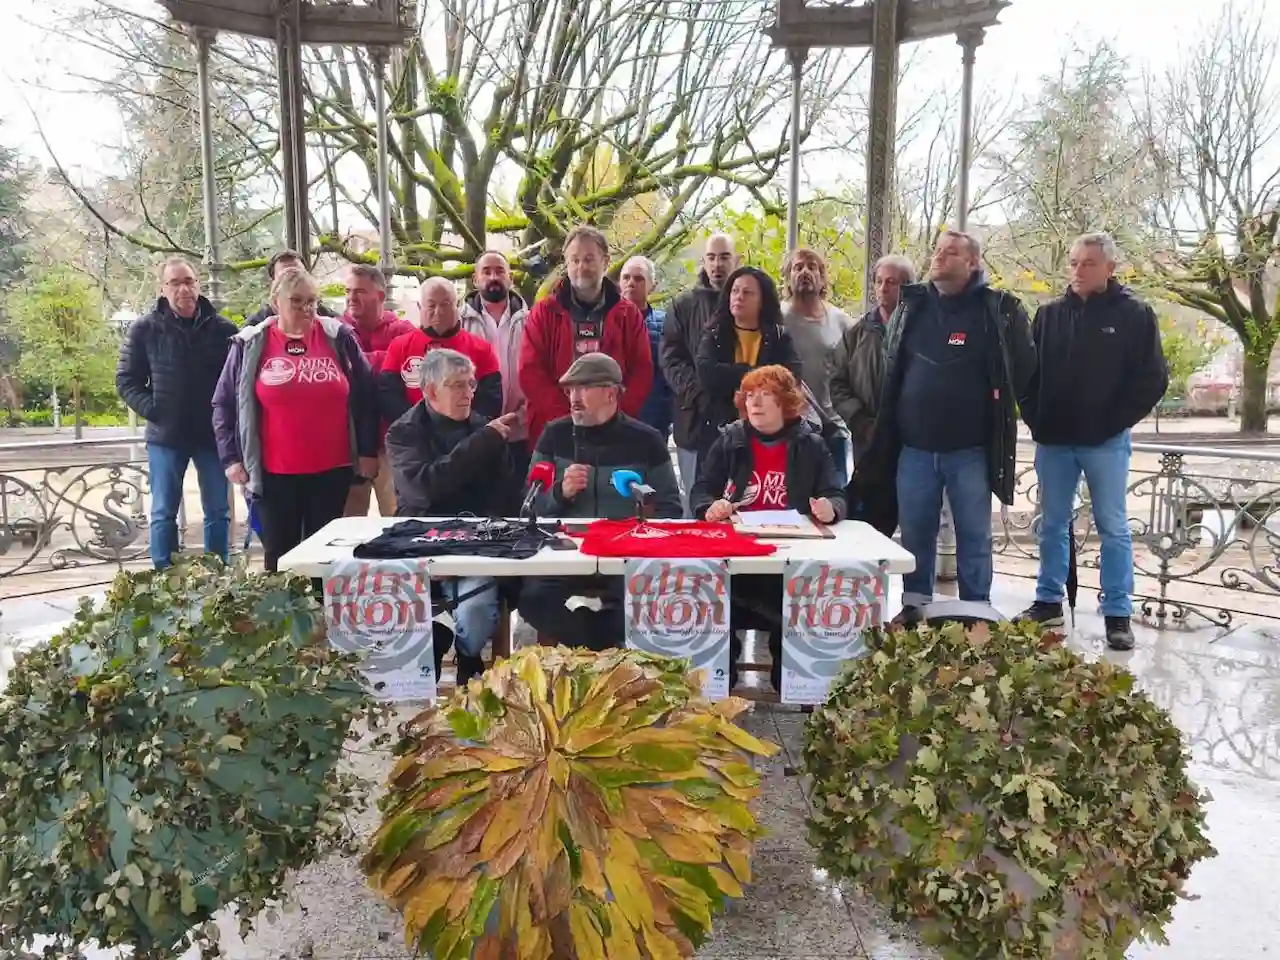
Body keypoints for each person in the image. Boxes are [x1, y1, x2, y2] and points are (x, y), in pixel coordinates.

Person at [853, 232, 1036, 622]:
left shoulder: (997, 309)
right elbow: (893, 368)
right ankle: (915, 604)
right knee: (915, 532)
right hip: (915, 449)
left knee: (974, 534)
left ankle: (976, 610)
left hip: (969, 450)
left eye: (950, 253)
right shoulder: (913, 304)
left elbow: (1022, 369)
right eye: (937, 251)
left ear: (972, 263)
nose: (938, 257)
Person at [1017, 233, 1168, 650]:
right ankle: (1048, 601)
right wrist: (1035, 419)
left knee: (1113, 527)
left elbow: (1152, 379)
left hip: (1105, 443)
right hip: (1054, 442)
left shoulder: (1135, 315)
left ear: (1110, 268)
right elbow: (1026, 375)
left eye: (1088, 263)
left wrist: (1112, 422)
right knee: (1050, 524)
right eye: (1074, 262)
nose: (1078, 270)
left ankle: (1118, 613)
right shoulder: (1048, 315)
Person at [212, 266, 379, 572]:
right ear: (276, 303)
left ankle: (322, 618)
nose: (307, 309)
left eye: (312, 301)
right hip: (274, 474)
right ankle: (284, 620)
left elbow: (367, 396)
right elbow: (223, 403)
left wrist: (367, 450)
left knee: (325, 557)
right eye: (297, 301)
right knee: (281, 556)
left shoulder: (337, 338)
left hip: (333, 470)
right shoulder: (251, 343)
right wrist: (230, 458)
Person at [691, 365, 846, 691]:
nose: (755, 403)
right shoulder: (730, 440)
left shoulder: (812, 445)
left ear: (787, 403)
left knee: (804, 600)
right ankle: (720, 682)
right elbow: (701, 490)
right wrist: (710, 507)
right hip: (736, 558)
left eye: (766, 396)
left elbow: (836, 494)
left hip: (792, 560)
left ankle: (792, 681)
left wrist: (830, 509)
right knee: (709, 595)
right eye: (750, 396)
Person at [517, 353, 682, 649]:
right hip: (564, 553)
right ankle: (601, 645)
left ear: (610, 392)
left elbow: (671, 507)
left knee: (648, 602)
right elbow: (529, 505)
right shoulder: (554, 435)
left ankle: (596, 645)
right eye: (569, 390)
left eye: (583, 388)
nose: (573, 397)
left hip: (624, 553)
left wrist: (644, 510)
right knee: (532, 600)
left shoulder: (646, 439)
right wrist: (560, 493)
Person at [385, 348, 522, 683]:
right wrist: (481, 442)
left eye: (471, 384)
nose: (469, 393)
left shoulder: (485, 432)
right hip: (421, 545)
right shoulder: (403, 433)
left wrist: (471, 549)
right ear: (431, 391)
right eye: (457, 385)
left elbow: (507, 501)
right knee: (426, 621)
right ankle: (442, 641)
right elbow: (425, 489)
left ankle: (468, 656)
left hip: (479, 546)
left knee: (474, 610)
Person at [116, 256, 239, 569]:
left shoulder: (223, 329)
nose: (183, 288)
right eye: (175, 283)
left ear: (197, 284)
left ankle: (217, 576)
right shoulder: (145, 329)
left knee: (217, 511)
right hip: (166, 436)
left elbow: (238, 382)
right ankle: (163, 579)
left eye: (189, 281)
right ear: (163, 288)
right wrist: (155, 410)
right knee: (163, 512)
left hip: (212, 437)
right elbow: (126, 380)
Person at [518, 224, 653, 447]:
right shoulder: (543, 312)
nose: (581, 266)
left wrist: (612, 415)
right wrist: (568, 417)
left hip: (613, 432)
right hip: (555, 430)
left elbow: (642, 370)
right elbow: (530, 372)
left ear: (606, 261)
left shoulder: (628, 314)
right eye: (575, 260)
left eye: (589, 259)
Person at [661, 232, 739, 513]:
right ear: (704, 262)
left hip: (739, 418)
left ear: (737, 260)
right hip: (694, 419)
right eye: (712, 257)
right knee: (697, 502)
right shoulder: (683, 305)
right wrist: (698, 393)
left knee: (736, 502)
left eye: (724, 257)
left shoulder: (752, 302)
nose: (718, 264)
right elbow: (671, 358)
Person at [341, 264, 414, 518]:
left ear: (380, 296)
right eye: (348, 290)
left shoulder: (404, 332)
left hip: (390, 445)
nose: (351, 297)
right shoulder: (336, 331)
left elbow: (409, 376)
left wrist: (360, 363)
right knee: (346, 525)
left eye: (360, 291)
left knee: (396, 518)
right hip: (347, 445)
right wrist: (383, 360)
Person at [697, 265, 802, 440]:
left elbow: (790, 377)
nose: (739, 297)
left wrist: (738, 377)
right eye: (735, 291)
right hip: (721, 429)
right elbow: (706, 373)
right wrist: (753, 373)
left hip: (770, 431)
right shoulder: (714, 333)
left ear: (763, 301)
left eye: (748, 293)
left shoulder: (779, 336)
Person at [378, 277, 502, 425]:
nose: (439, 312)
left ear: (456, 305)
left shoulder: (481, 349)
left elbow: (491, 402)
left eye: (445, 304)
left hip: (467, 438)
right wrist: (418, 427)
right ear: (419, 307)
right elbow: (389, 397)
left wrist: (463, 429)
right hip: (414, 437)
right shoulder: (399, 347)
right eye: (431, 305)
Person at [780, 248, 855, 485]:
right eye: (797, 267)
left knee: (834, 502)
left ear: (822, 278)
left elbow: (855, 372)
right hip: (789, 427)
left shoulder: (841, 321)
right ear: (788, 278)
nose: (804, 272)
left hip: (833, 427)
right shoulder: (776, 318)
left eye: (812, 267)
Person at [830, 254, 915, 461]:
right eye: (879, 281)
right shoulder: (857, 333)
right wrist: (861, 422)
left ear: (907, 286)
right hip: (867, 441)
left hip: (912, 443)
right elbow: (837, 382)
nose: (883, 288)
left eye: (891, 282)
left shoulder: (920, 331)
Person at [459, 250, 533, 479]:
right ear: (475, 279)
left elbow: (539, 370)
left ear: (510, 277)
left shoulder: (531, 321)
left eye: (500, 271)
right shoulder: (459, 322)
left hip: (520, 429)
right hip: (473, 433)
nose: (493, 277)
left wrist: (524, 413)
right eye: (487, 271)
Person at [620, 255, 672, 444]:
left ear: (653, 285)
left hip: (654, 419)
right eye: (626, 277)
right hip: (613, 418)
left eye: (639, 278)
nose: (631, 283)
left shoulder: (666, 323)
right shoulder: (606, 321)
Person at [244, 250, 338, 326]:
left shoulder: (333, 327)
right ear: (273, 284)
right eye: (286, 277)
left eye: (299, 274)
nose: (294, 281)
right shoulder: (256, 329)